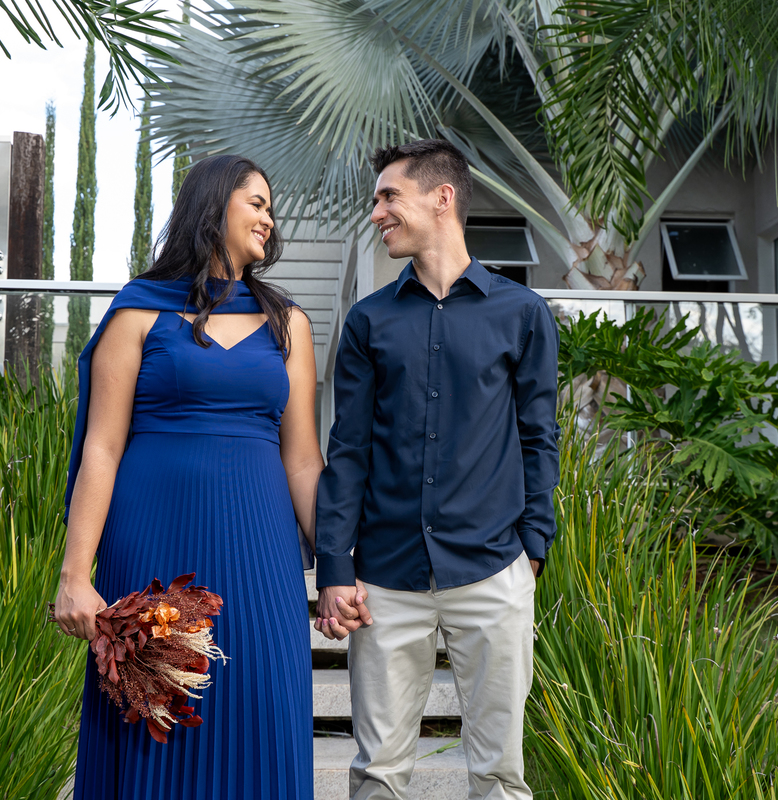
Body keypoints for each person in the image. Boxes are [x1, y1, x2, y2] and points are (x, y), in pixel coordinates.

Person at [54, 154, 321, 800]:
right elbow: (102, 446)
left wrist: (339, 567)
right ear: (212, 205)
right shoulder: (138, 313)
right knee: (152, 720)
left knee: (261, 711)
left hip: (260, 556)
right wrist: (74, 575)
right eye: (255, 202)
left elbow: (304, 459)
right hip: (151, 546)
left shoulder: (290, 325)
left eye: (270, 206)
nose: (269, 217)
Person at [314, 139, 560, 800]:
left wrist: (533, 545)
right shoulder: (369, 322)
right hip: (387, 578)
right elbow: (349, 451)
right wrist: (335, 568)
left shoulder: (522, 314)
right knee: (378, 773)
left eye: (388, 196)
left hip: (493, 568)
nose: (377, 214)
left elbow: (540, 437)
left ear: (442, 197)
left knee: (500, 774)